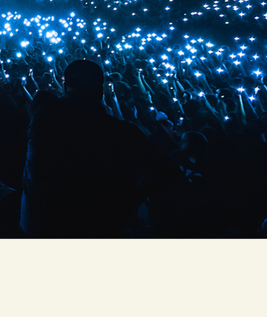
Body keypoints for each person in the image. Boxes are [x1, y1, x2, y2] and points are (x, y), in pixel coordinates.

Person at [20, 59, 182, 237]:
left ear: (65, 85)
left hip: (39, 225)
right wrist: (131, 196)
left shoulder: (44, 119)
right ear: (99, 89)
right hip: (97, 227)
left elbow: (45, 99)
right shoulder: (119, 132)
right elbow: (171, 172)